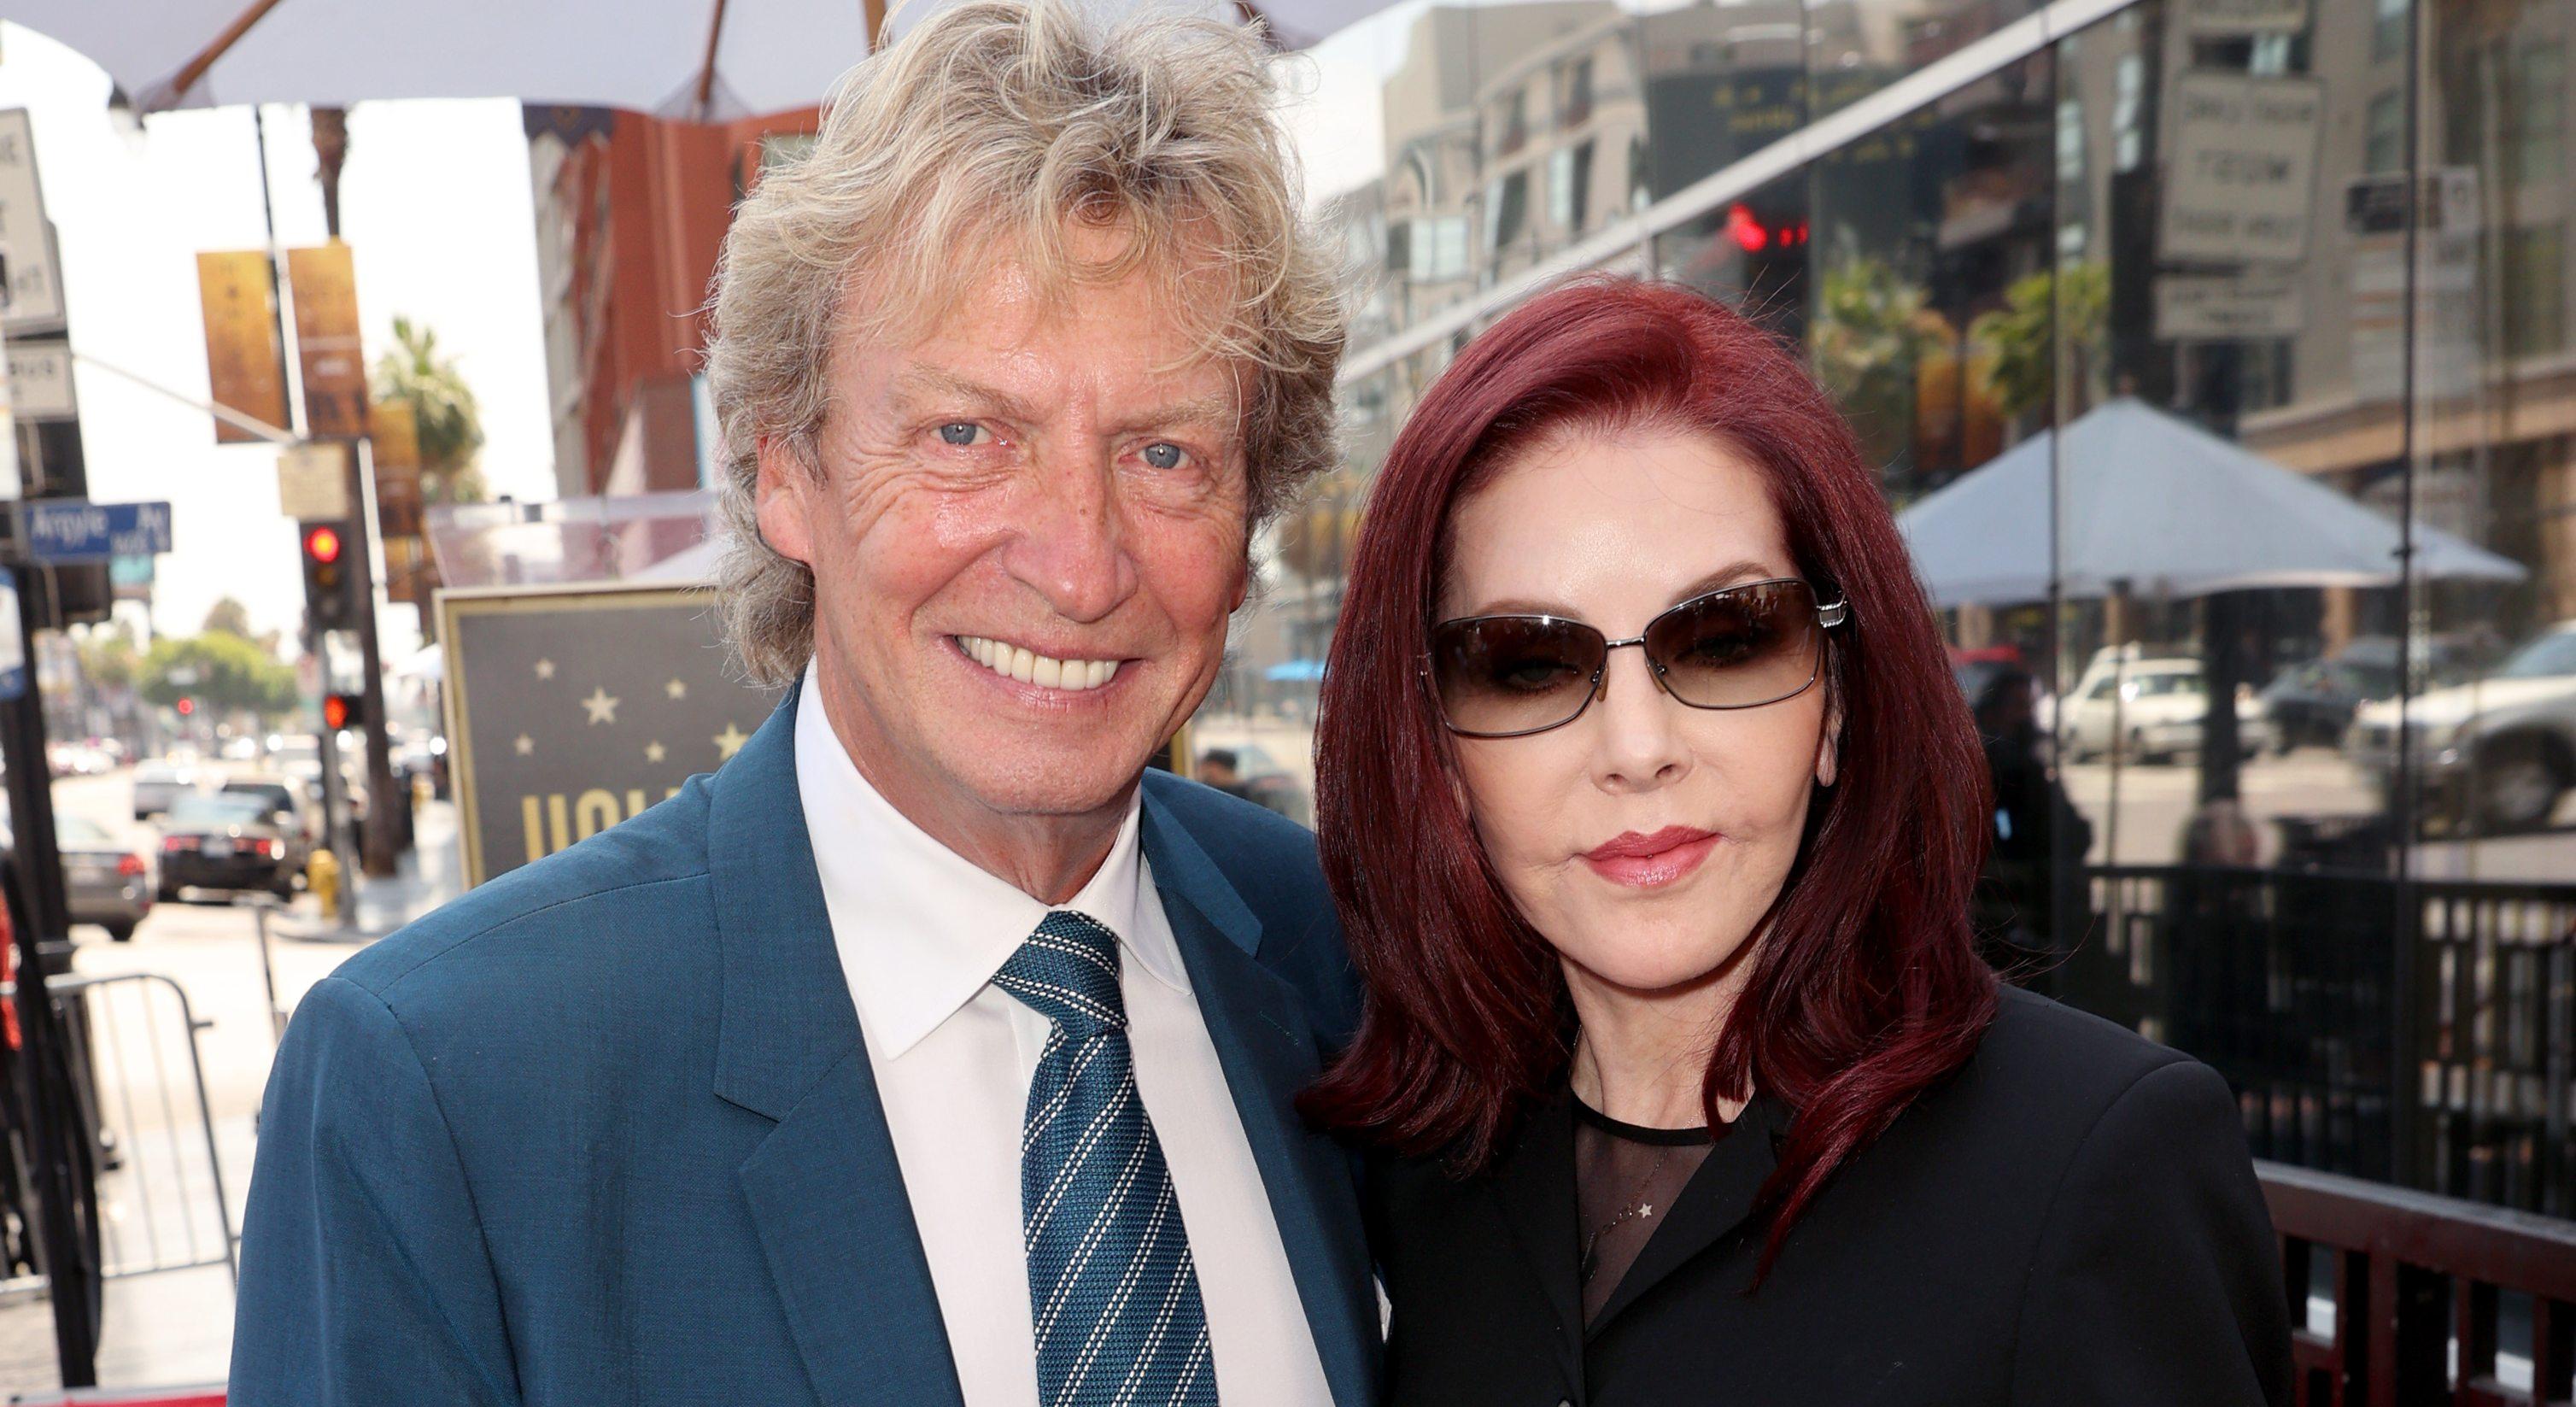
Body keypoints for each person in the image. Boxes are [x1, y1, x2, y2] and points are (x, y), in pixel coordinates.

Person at [228, 5, 1375, 1404]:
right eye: (966, 436)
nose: (1081, 563)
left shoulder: (1352, 961)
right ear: (785, 470)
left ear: (1253, 509)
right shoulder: (446, 1095)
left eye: (1166, 452)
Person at [1303, 278, 2292, 1406]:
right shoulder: (1417, 1173)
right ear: (1437, 748)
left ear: (1835, 701)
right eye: (1528, 663)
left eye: (1727, 640)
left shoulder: (2093, 1164)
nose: (1637, 747)